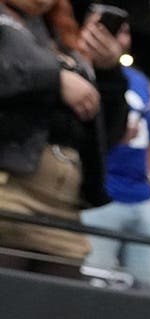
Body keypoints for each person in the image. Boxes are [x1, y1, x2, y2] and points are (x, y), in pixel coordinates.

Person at [0, 0, 127, 278]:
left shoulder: (61, 36)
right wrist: (55, 79)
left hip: (63, 211)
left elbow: (110, 134)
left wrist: (108, 72)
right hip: (9, 197)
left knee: (59, 313)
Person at [80, 23, 150, 294]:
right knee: (92, 285)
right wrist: (112, 133)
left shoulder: (143, 82)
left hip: (142, 195)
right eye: (114, 30)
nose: (122, 38)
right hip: (101, 193)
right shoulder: (81, 69)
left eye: (126, 31)